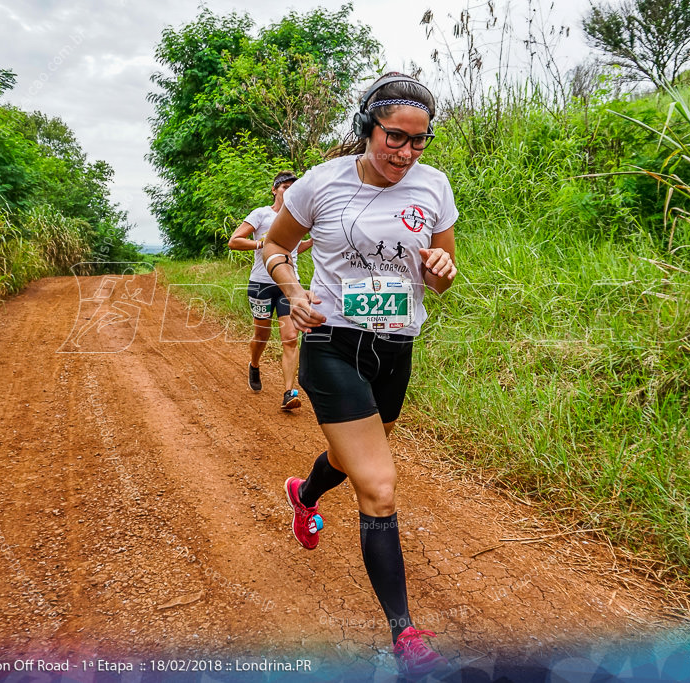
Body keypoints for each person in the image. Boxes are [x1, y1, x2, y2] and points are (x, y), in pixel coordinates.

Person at [262, 73, 458, 678]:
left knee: (351, 462)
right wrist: (293, 291)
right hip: (332, 341)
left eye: (419, 141)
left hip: (396, 346)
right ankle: (405, 633)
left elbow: (442, 273)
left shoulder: (434, 186)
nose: (406, 153)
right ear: (366, 128)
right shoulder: (323, 183)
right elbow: (275, 247)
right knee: (378, 484)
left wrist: (441, 268)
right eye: (395, 137)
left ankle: (306, 493)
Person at [228, 171, 311, 410]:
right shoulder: (261, 214)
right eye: (285, 187)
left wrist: (310, 242)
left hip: (288, 286)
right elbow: (235, 241)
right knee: (262, 336)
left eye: (293, 188)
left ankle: (289, 392)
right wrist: (265, 244)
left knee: (291, 338)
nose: (289, 191)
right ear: (274, 190)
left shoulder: (300, 217)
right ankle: (254, 364)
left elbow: (293, 250)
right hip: (261, 284)